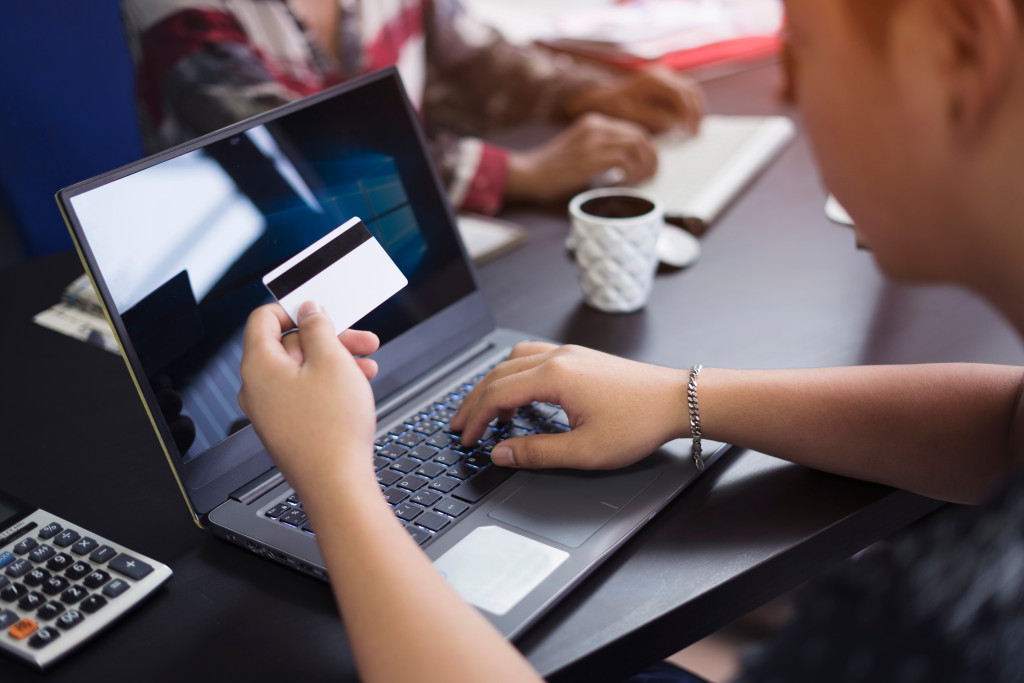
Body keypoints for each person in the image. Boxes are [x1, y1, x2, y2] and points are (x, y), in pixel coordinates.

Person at [237, 0, 1024, 680]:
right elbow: (1008, 424)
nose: (784, 90)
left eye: (801, 47)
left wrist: (336, 479)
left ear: (955, 50)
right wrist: (684, 395)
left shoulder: (947, 624)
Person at [120, 0, 705, 216]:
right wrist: (520, 174)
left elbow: (467, 50)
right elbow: (303, 146)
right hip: (266, 257)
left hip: (405, 233)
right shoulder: (177, 12)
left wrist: (587, 92)